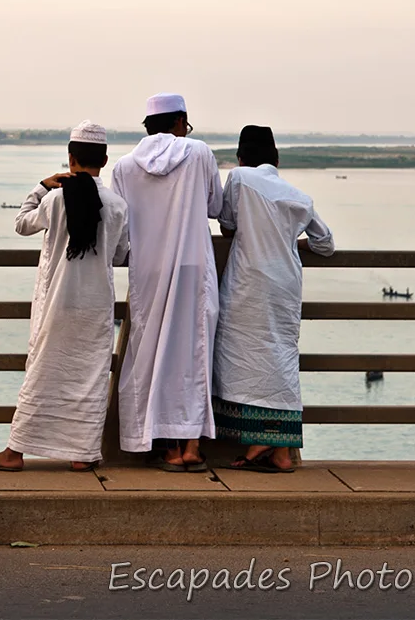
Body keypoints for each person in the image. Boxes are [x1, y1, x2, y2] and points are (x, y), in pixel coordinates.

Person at [0, 121, 129, 473]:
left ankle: (15, 453)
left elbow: (21, 223)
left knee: (43, 373)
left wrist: (42, 185)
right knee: (89, 376)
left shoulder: (55, 199)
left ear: (70, 158)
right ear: (104, 160)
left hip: (56, 304)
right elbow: (121, 255)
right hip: (95, 306)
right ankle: (83, 453)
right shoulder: (118, 206)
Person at [110, 93, 222, 471]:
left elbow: (121, 226)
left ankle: (164, 445)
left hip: (147, 269)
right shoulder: (199, 153)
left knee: (150, 353)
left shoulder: (124, 167)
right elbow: (215, 207)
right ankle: (192, 446)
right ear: (181, 121)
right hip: (193, 267)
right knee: (194, 353)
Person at [214, 125, 335, 472]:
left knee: (242, 352)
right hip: (286, 283)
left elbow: (227, 224)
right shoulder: (297, 195)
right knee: (281, 352)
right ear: (277, 159)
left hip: (249, 281)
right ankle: (281, 451)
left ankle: (263, 438)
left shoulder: (240, 179)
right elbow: (325, 243)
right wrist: (288, 241)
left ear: (241, 157)